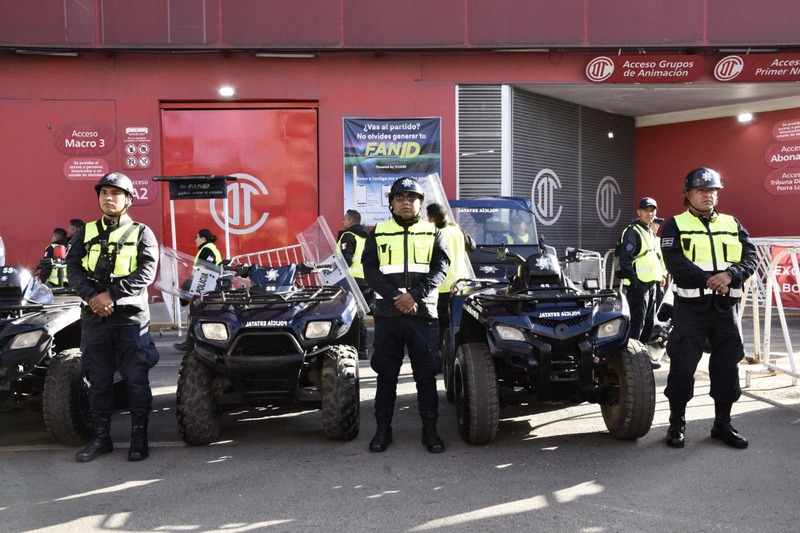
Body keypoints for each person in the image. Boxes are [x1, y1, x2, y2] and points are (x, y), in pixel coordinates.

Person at [660, 167, 757, 450]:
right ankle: (677, 422)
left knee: (727, 368)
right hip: (690, 311)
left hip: (726, 310)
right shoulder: (674, 225)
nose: (708, 195)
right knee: (682, 368)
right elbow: (675, 262)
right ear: (687, 194)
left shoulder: (732, 222)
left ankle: (722, 424)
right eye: (702, 191)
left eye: (713, 190)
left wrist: (731, 275)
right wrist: (709, 280)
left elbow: (750, 257)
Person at [66, 172, 160, 462]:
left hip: (130, 320)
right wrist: (94, 299)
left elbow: (147, 271)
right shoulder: (86, 232)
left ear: (129, 199)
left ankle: (139, 439)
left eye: (115, 193)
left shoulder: (142, 232)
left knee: (136, 381)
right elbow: (73, 269)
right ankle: (101, 439)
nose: (108, 197)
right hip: (95, 319)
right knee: (99, 381)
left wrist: (112, 295)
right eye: (104, 192)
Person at [362, 177, 450, 453]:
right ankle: (382, 430)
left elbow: (441, 268)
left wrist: (415, 295)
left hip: (422, 314)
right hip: (389, 315)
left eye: (411, 197)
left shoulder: (433, 232)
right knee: (386, 374)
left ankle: (430, 431)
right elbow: (371, 271)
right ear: (391, 203)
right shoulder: (378, 232)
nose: (405, 202)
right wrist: (396, 298)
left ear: (421, 203)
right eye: (400, 197)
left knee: (425, 376)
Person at [616, 197, 664, 365]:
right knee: (637, 323)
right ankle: (631, 361)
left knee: (649, 323)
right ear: (639, 212)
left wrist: (660, 277)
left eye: (653, 211)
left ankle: (642, 358)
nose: (650, 214)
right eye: (646, 210)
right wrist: (634, 281)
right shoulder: (633, 231)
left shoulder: (649, 231)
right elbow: (625, 259)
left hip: (651, 284)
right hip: (638, 285)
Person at [426, 202, 471, 349]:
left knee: (441, 324)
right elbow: (472, 247)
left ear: (432, 218)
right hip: (461, 283)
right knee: (457, 321)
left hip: (442, 286)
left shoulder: (433, 234)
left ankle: (443, 355)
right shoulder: (456, 230)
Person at [174, 229, 223, 351]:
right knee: (199, 314)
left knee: (197, 314)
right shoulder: (209, 249)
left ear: (203, 239)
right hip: (207, 287)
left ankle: (191, 343)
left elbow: (205, 270)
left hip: (206, 288)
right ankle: (192, 342)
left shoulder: (207, 250)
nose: (195, 240)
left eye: (197, 237)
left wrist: (191, 285)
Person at [336, 209, 374, 360]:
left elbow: (345, 260)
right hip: (367, 280)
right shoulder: (368, 236)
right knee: (362, 315)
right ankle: (364, 348)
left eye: (345, 219)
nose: (343, 222)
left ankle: (358, 349)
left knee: (352, 315)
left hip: (351, 280)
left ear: (351, 221)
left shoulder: (348, 236)